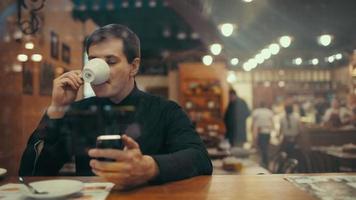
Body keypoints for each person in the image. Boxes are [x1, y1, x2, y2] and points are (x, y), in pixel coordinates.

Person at [19, 24, 212, 189]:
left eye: (110, 61)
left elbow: (200, 159)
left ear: (133, 67)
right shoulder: (78, 112)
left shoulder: (165, 110)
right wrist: (56, 109)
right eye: (94, 61)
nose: (99, 70)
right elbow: (32, 172)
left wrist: (151, 167)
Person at [251, 102, 274, 168]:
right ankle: (265, 162)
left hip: (260, 131)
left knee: (262, 148)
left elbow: (253, 123)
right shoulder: (269, 112)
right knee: (265, 147)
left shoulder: (256, 112)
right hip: (267, 131)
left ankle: (264, 162)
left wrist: (252, 132)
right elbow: (272, 122)